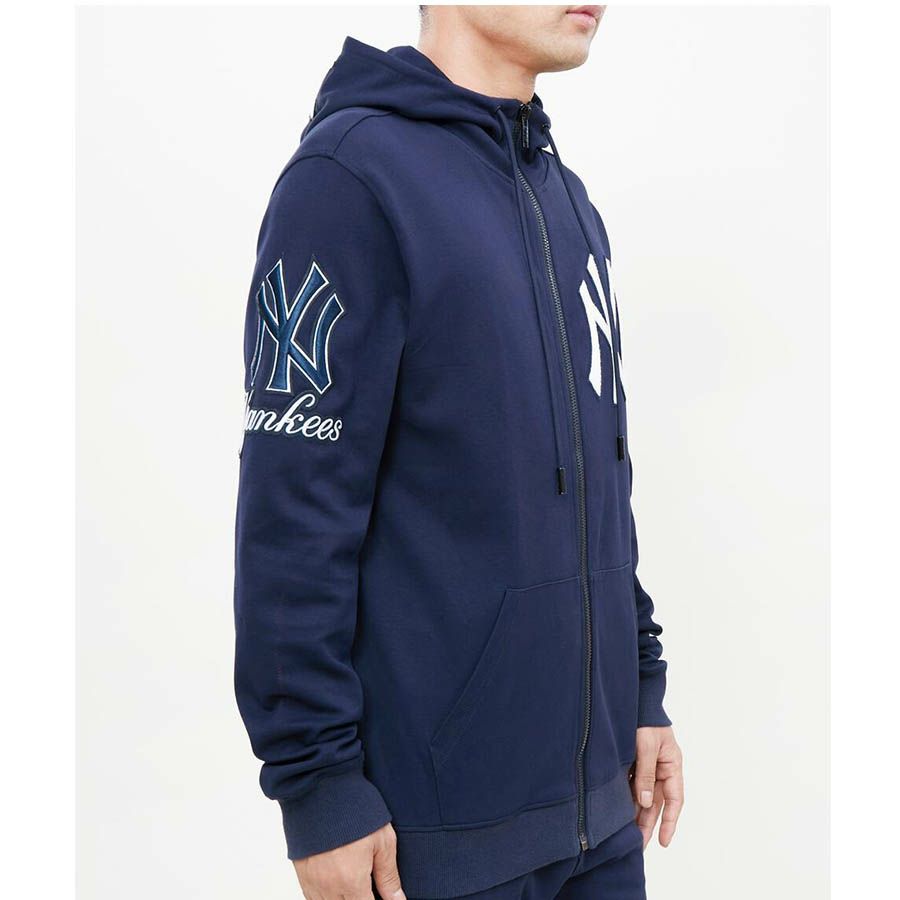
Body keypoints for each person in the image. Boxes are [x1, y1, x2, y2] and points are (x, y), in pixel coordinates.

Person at [234, 5, 684, 899]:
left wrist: (640, 688)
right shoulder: (347, 183)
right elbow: (294, 512)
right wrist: (318, 787)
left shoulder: (567, 201)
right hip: (436, 843)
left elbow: (602, 481)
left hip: (602, 820)